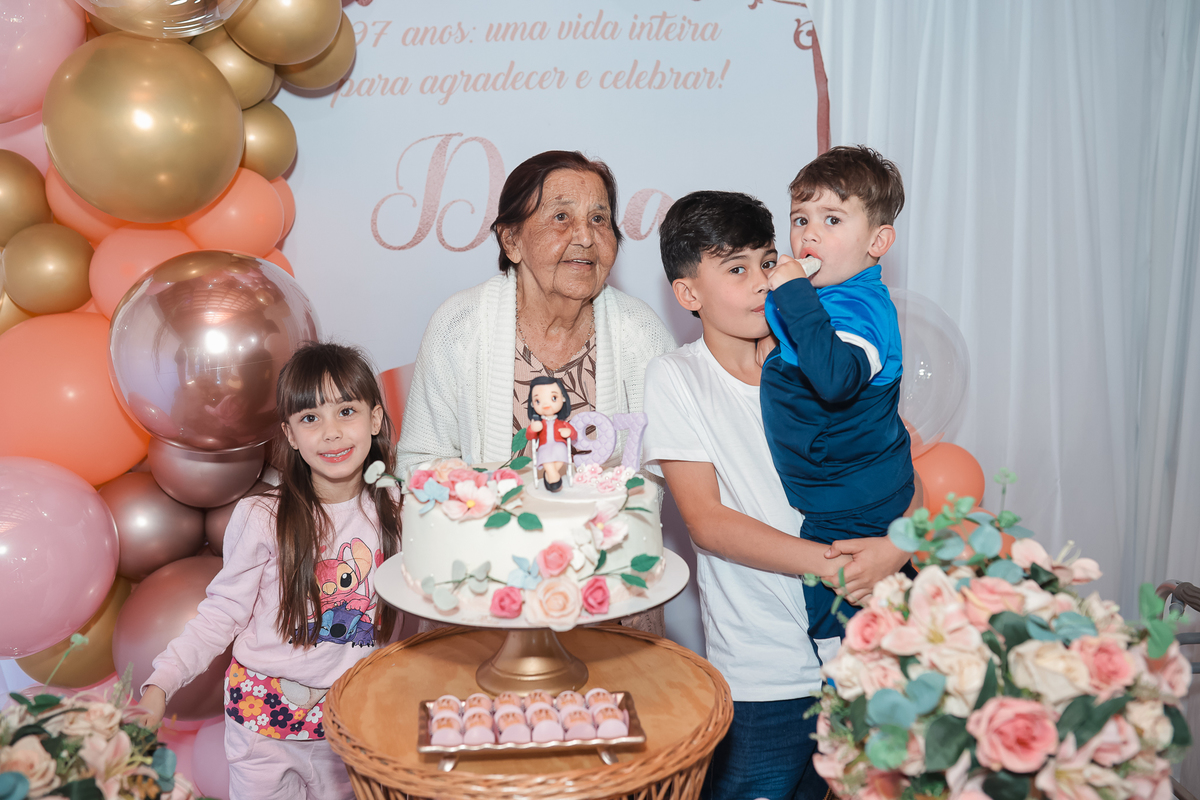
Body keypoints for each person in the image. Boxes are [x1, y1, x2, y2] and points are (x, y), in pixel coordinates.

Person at [645, 190, 914, 800]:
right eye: (736, 269)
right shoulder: (677, 377)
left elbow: (902, 468)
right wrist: (840, 565)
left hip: (865, 657)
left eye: (768, 262)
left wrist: (897, 547)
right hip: (762, 676)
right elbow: (708, 523)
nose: (763, 281)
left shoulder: (822, 359)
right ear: (688, 294)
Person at [396, 149, 675, 633]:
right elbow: (419, 460)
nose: (585, 236)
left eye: (599, 219)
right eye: (561, 217)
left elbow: (663, 467)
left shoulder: (641, 333)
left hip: (611, 594)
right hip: (479, 590)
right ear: (511, 240)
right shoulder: (459, 326)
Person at [138, 343, 402, 800]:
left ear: (375, 418)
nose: (332, 433)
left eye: (346, 411)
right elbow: (222, 613)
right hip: (264, 726)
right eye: (310, 418)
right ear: (290, 435)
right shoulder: (263, 516)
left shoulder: (399, 509)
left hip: (351, 723)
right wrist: (160, 684)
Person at [760, 145, 916, 643]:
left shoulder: (860, 308)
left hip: (852, 508)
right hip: (842, 498)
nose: (809, 234)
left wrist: (793, 294)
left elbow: (835, 378)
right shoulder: (832, 299)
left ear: (878, 241)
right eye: (800, 219)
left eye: (832, 220)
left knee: (847, 638)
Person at [524, 375, 577, 491]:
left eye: (554, 398)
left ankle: (550, 474)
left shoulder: (561, 423)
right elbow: (529, 436)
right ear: (532, 404)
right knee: (546, 455)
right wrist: (533, 429)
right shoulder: (538, 423)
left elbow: (574, 434)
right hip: (544, 446)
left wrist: (569, 432)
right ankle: (553, 475)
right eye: (538, 401)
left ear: (563, 398)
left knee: (561, 455)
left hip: (559, 445)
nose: (546, 405)